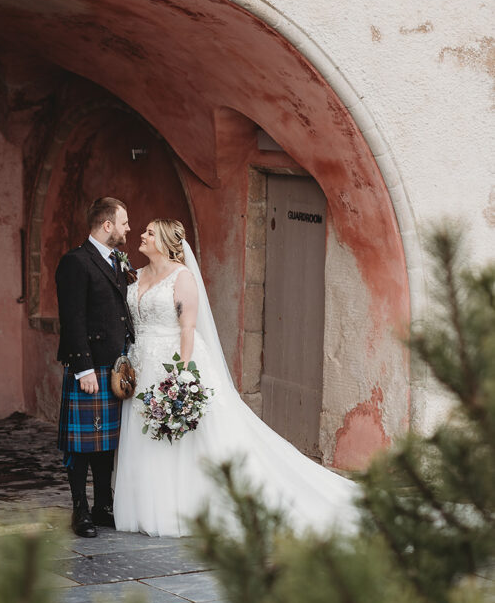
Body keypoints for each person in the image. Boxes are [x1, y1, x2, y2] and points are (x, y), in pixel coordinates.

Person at [113, 218, 360, 537]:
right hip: (140, 364)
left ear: (163, 241)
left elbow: (187, 327)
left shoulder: (182, 277)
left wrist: (182, 375)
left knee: (182, 439)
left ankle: (184, 508)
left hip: (171, 362)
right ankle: (146, 505)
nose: (141, 236)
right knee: (144, 433)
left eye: (149, 233)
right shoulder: (137, 274)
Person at [56, 197, 135, 537]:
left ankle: (103, 505)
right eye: (124, 222)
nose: (128, 229)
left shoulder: (116, 260)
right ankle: (80, 510)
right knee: (81, 445)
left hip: (115, 365)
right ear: (107, 226)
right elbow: (72, 319)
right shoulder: (76, 262)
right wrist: (83, 368)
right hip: (90, 366)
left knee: (107, 443)